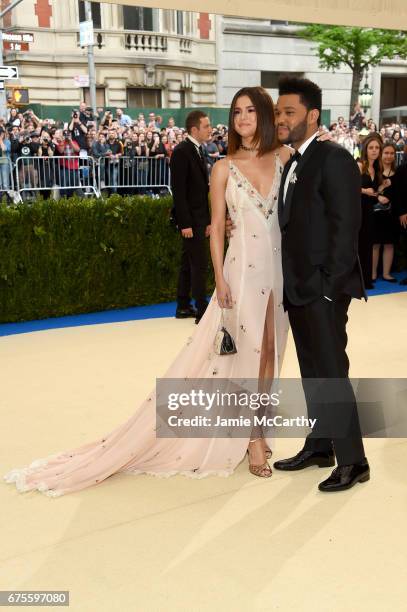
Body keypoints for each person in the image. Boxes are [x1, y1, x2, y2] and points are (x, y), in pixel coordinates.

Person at [4, 88, 290, 496]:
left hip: (279, 275)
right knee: (243, 358)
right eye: (236, 112)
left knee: (269, 354)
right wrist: (220, 281)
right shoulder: (224, 167)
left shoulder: (283, 159)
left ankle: (259, 427)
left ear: (263, 115)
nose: (242, 118)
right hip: (240, 275)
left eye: (250, 110)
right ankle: (251, 438)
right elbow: (215, 228)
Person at [271, 77, 369, 492]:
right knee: (312, 370)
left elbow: (348, 228)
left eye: (288, 112)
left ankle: (354, 461)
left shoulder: (333, 158)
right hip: (300, 287)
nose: (280, 119)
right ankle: (320, 444)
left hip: (324, 288)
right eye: (278, 112)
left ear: (312, 116)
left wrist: (329, 285)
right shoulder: (294, 161)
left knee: (330, 371)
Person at [170, 110, 212, 323]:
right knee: (198, 264)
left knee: (188, 263)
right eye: (206, 126)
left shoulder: (197, 150)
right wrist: (185, 223)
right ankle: (202, 309)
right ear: (194, 129)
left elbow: (200, 191)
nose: (210, 129)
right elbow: (178, 191)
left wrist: (208, 221)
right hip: (191, 222)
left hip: (199, 219)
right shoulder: (182, 151)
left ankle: (183, 305)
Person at [357, 133, 383, 289]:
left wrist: (381, 189)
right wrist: (364, 191)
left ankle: (366, 279)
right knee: (359, 245)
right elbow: (348, 186)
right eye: (371, 148)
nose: (374, 150)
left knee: (367, 244)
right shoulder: (360, 165)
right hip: (357, 210)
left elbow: (374, 193)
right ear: (365, 149)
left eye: (377, 148)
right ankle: (356, 280)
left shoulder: (376, 168)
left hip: (369, 211)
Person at [372, 143, 399, 282]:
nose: (389, 156)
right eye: (386, 153)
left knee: (389, 244)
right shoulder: (375, 171)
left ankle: (386, 273)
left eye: (391, 153)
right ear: (381, 154)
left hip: (391, 215)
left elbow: (400, 194)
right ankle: (373, 273)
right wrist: (379, 193)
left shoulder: (398, 172)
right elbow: (369, 192)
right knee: (375, 244)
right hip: (376, 214)